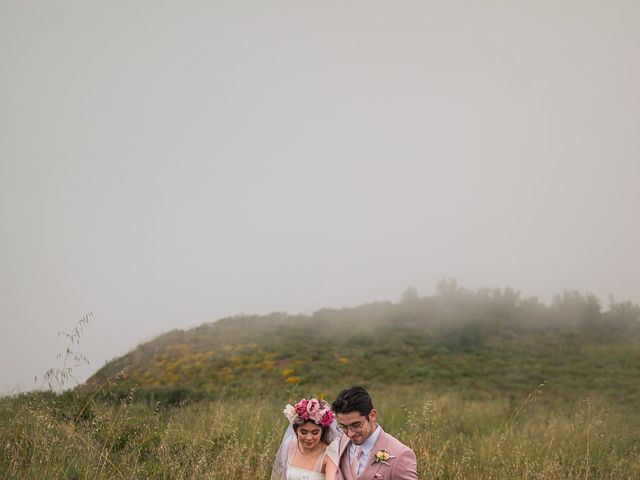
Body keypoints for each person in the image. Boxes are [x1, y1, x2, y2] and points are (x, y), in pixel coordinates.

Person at [331, 386, 418, 480]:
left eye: (356, 425)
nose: (350, 434)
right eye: (344, 426)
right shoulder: (343, 441)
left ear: (372, 415)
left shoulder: (400, 455)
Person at [271, 397, 340, 480]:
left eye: (315, 433)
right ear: (296, 431)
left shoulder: (329, 454)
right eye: (303, 432)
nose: (309, 438)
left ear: (322, 432)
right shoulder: (289, 446)